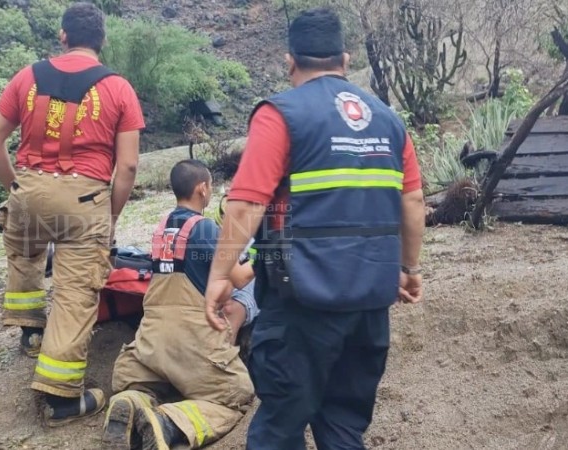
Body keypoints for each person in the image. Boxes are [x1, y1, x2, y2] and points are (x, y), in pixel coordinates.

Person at [204, 9, 426, 450]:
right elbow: (413, 202)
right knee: (343, 424)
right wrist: (408, 268)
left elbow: (248, 203)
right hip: (369, 306)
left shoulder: (280, 115)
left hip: (302, 306)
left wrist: (217, 275)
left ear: (291, 62)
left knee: (281, 425)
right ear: (344, 59)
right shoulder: (388, 119)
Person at [0, 2, 144, 425]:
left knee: (26, 253)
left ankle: (30, 331)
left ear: (63, 35)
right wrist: (110, 215)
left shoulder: (26, 77)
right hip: (84, 199)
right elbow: (126, 166)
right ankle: (59, 400)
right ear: (102, 40)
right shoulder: (119, 88)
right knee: (75, 293)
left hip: (29, 186)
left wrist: (15, 188)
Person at [103, 160, 256, 450]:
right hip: (191, 342)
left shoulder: (162, 227)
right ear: (202, 188)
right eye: (210, 186)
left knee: (139, 384)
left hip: (150, 343)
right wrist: (262, 258)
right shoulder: (206, 228)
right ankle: (168, 423)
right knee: (235, 396)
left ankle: (131, 401)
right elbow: (238, 278)